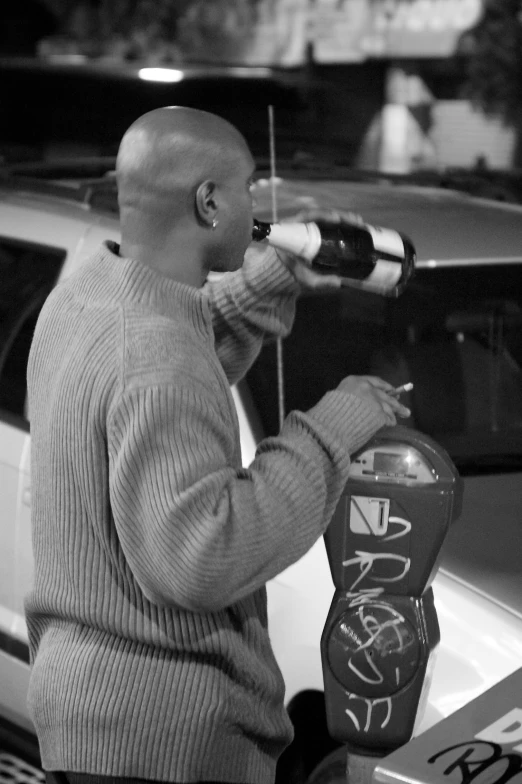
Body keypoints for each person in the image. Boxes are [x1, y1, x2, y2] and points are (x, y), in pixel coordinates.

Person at [25, 106, 410, 784]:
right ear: (209, 201)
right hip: (166, 748)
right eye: (249, 189)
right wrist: (333, 428)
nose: (260, 207)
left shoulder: (83, 294)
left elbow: (170, 357)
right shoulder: (154, 352)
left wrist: (269, 281)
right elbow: (204, 557)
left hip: (95, 729)